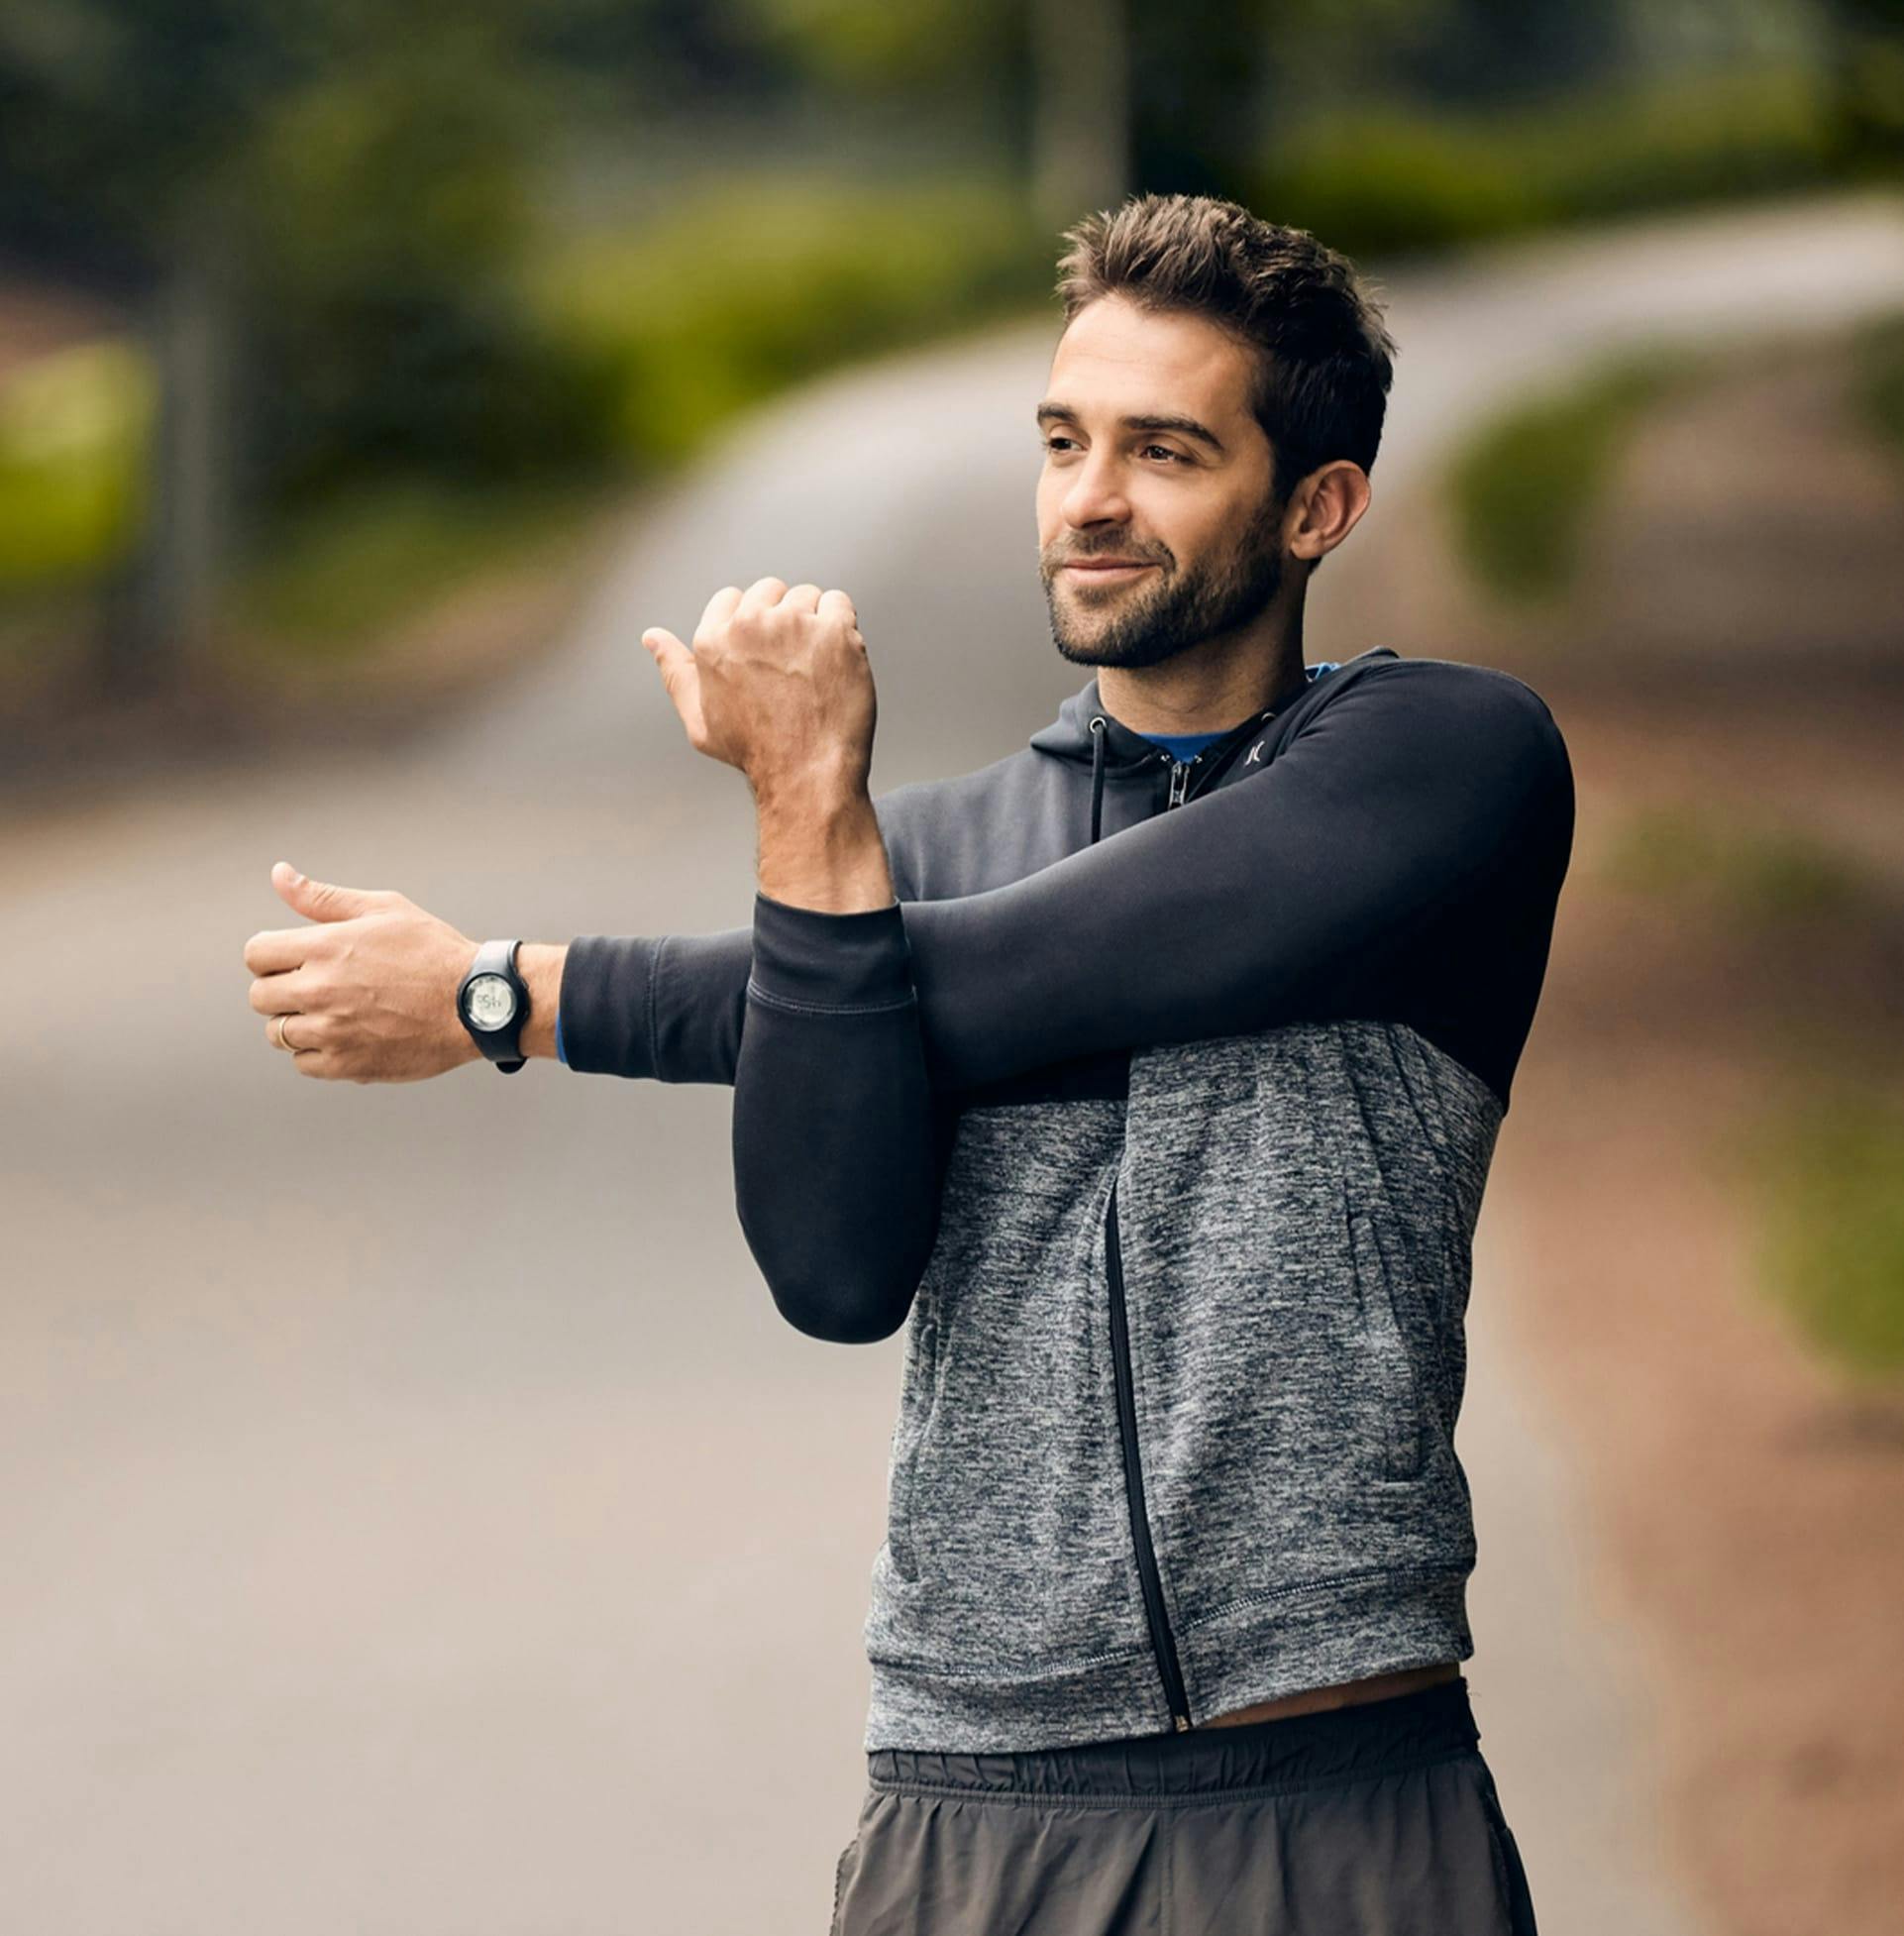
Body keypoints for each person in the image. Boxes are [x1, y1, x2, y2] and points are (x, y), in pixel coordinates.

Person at [244, 192, 1567, 1934]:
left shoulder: (1440, 769)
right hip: (969, 1806)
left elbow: (1046, 962)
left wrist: (512, 990)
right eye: (1061, 439)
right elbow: (834, 1271)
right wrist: (812, 825)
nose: (1089, 499)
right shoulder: (893, 866)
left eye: (1165, 450)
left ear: (1317, 504)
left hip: (1333, 1796)